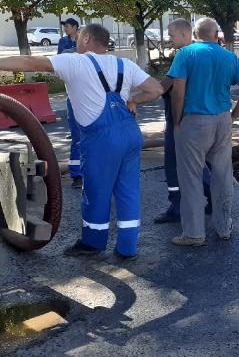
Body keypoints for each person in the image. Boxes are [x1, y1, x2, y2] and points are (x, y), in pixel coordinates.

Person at [0, 24, 163, 260]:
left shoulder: (74, 62)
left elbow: (29, 63)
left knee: (97, 191)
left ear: (86, 38)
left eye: (79, 38)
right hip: (130, 135)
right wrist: (134, 101)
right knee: (128, 191)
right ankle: (128, 247)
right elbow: (156, 89)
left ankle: (92, 243)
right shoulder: (125, 64)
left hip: (101, 140)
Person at [168, 18, 239, 246]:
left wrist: (177, 121)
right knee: (223, 175)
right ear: (217, 34)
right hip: (222, 120)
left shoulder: (186, 54)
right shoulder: (229, 56)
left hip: (194, 122)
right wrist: (232, 116)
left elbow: (178, 93)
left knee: (191, 178)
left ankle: (194, 233)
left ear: (195, 34)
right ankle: (224, 227)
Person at [153, 18, 213, 224]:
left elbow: (169, 88)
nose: (169, 39)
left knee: (174, 163)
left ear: (185, 35)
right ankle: (212, 199)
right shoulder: (205, 54)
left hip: (179, 119)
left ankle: (177, 206)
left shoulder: (184, 56)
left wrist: (175, 122)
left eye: (171, 35)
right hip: (203, 118)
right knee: (199, 163)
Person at [58, 18, 83, 189]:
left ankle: (95, 171)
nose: (66, 29)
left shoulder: (85, 40)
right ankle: (77, 175)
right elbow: (60, 63)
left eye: (68, 26)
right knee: (76, 135)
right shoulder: (62, 42)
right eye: (65, 26)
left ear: (75, 27)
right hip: (72, 94)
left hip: (86, 92)